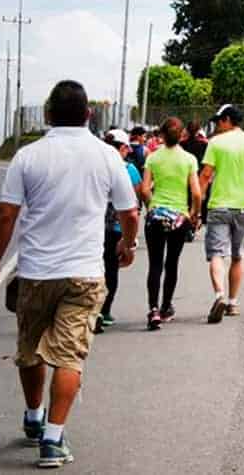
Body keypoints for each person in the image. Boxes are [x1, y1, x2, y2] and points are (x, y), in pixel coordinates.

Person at [0, 80, 139, 468]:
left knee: (30, 350)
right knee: (70, 357)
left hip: (35, 272)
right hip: (84, 274)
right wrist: (127, 244)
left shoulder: (28, 156)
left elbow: (6, 214)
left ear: (49, 114)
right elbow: (130, 212)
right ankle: (53, 440)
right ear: (89, 115)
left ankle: (34, 416)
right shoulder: (107, 157)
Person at [198, 105, 244, 324]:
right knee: (238, 255)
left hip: (219, 206)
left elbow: (205, 175)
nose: (217, 125)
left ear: (228, 120)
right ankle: (232, 302)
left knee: (216, 254)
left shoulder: (216, 143)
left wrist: (196, 205)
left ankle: (219, 295)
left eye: (219, 121)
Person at [140, 117, 202, 329]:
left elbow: (145, 189)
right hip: (179, 218)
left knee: (155, 264)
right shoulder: (189, 159)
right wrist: (194, 214)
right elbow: (196, 192)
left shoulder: (153, 158)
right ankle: (166, 306)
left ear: (162, 135)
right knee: (172, 263)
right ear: (182, 134)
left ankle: (153, 309)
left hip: (156, 215)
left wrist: (152, 208)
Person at [96, 128, 144, 333]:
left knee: (96, 267)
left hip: (95, 227)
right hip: (118, 227)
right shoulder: (129, 169)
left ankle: (94, 309)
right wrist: (131, 239)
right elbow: (136, 198)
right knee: (112, 268)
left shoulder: (95, 166)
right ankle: (104, 310)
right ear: (123, 148)